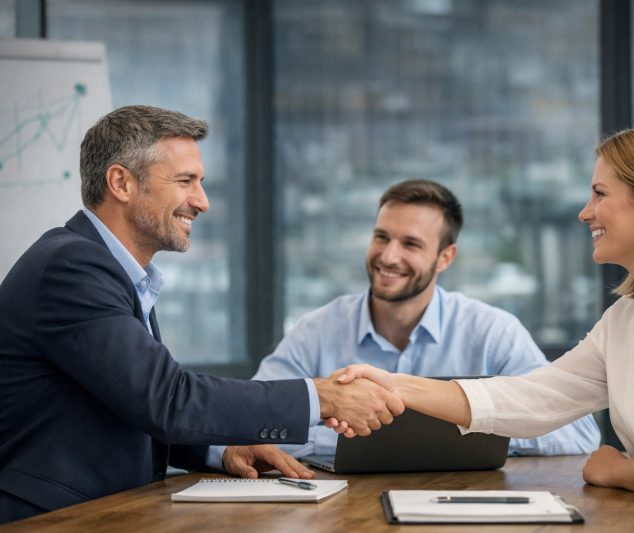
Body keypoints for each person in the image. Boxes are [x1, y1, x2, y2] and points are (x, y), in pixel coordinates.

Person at [330, 126, 634, 533]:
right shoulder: (625, 320)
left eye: (600, 194)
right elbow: (531, 400)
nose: (585, 212)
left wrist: (618, 469)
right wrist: (395, 385)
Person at [0, 106, 403, 524]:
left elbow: (124, 401)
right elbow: (166, 399)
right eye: (184, 181)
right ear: (121, 182)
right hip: (48, 520)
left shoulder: (106, 267)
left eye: (201, 182)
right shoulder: (73, 267)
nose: (203, 202)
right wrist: (321, 398)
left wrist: (220, 450)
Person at [215, 180, 599, 472]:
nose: (388, 255)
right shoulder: (316, 332)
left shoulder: (493, 333)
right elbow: (242, 427)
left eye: (411, 244)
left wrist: (476, 424)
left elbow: (580, 434)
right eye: (381, 237)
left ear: (445, 257)